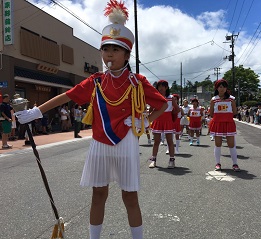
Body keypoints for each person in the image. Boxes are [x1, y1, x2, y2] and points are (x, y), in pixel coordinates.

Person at [15, 1, 167, 239]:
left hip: (126, 141)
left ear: (127, 54)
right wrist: (37, 112)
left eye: (116, 49)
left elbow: (162, 105)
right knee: (98, 193)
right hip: (100, 141)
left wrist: (145, 122)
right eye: (106, 49)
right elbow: (67, 95)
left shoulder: (137, 81)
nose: (109, 54)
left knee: (130, 196)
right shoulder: (96, 80)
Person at [209, 79, 240, 171]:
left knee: (231, 144)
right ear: (217, 88)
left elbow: (234, 111)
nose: (222, 89)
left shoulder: (231, 99)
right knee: (218, 144)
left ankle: (235, 164)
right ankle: (217, 163)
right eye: (220, 87)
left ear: (226, 88)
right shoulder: (214, 100)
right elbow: (211, 113)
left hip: (229, 123)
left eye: (224, 87)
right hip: (217, 123)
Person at [148, 79, 179, 169]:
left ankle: (172, 160)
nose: (161, 88)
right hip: (157, 120)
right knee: (156, 141)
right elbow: (150, 110)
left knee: (169, 141)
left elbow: (177, 109)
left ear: (166, 87)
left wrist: (172, 116)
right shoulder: (156, 97)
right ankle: (153, 160)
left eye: (163, 86)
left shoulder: (171, 98)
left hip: (167, 120)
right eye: (159, 86)